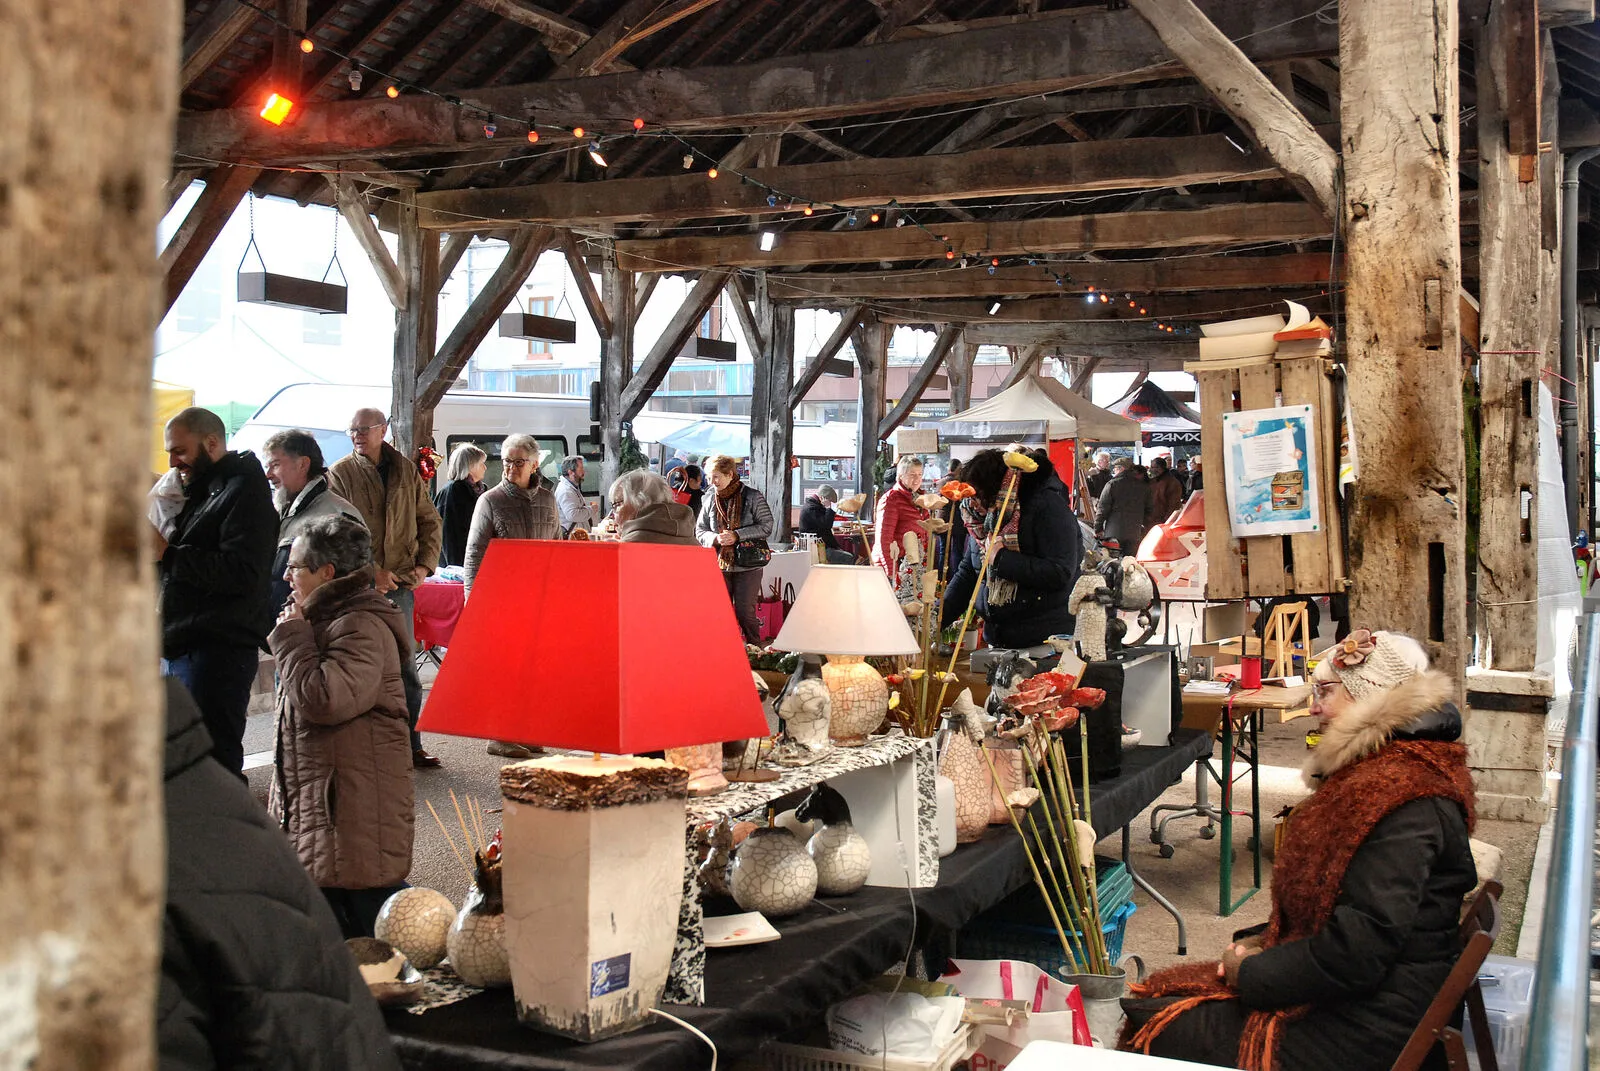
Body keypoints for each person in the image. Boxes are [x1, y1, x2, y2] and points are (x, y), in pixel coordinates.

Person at [1121, 630, 1477, 1071]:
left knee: (1159, 1023)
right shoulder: (1392, 778)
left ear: (1372, 697)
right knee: (1163, 998)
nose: (1313, 707)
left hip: (1375, 1025)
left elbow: (1358, 952)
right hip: (1375, 998)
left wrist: (1253, 972)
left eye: (1326, 691)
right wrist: (1263, 940)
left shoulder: (1406, 799)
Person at [158, 677, 402, 1070]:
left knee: (361, 890)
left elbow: (326, 697)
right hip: (312, 785)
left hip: (345, 787)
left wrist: (292, 649)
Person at [268, 515, 414, 940]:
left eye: (295, 567)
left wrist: (292, 637)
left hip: (351, 808)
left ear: (327, 572)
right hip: (327, 801)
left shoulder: (361, 625)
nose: (286, 576)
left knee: (374, 925)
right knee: (330, 925)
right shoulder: (319, 619)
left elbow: (325, 700)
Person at [158, 406, 278, 777]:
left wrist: (167, 554)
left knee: (214, 769)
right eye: (169, 452)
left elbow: (243, 573)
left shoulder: (245, 492)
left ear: (211, 443)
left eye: (180, 451)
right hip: (184, 646)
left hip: (217, 652)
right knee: (186, 766)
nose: (173, 462)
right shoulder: (202, 489)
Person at [326, 408, 444, 769]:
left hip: (400, 586)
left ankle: (411, 745)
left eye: (364, 429)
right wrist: (370, 571)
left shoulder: (405, 470)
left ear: (383, 430)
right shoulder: (340, 474)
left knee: (406, 668)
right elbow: (335, 531)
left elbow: (429, 520)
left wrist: (424, 565)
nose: (357, 436)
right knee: (360, 667)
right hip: (357, 588)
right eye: (352, 430)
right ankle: (364, 750)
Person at [465, 435, 561, 760]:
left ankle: (526, 730)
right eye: (506, 461)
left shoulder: (548, 499)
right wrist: (472, 603)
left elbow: (558, 547)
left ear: (535, 464)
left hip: (540, 598)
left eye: (518, 462)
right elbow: (474, 555)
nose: (510, 467)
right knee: (505, 669)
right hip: (502, 599)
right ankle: (499, 734)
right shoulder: (490, 501)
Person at [940, 448, 1081, 649]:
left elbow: (1060, 572)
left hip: (1044, 640)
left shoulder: (1047, 507)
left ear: (995, 489)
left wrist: (1001, 559)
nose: (971, 503)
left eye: (976, 495)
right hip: (999, 638)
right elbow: (969, 574)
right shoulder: (983, 521)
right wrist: (935, 621)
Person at [263, 429, 365, 615]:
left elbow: (353, 587)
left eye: (275, 465)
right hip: (281, 623)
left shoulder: (338, 515)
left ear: (303, 464)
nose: (268, 475)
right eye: (267, 466)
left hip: (316, 625)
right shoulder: (278, 510)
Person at [696, 454, 775, 645]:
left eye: (716, 477)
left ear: (730, 474)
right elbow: (700, 530)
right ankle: (723, 648)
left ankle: (755, 649)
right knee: (719, 611)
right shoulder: (709, 499)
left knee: (744, 611)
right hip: (719, 564)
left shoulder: (752, 496)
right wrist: (715, 538)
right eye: (708, 477)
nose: (711, 482)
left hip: (749, 564)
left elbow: (767, 525)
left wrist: (737, 535)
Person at [871, 455, 931, 581]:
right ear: (900, 476)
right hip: (895, 565)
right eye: (912, 474)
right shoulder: (891, 499)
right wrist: (892, 573)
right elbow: (884, 539)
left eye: (920, 474)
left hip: (912, 565)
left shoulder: (920, 500)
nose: (917, 479)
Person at [433, 443, 487, 568]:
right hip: (459, 564)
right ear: (470, 466)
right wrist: (456, 568)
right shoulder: (453, 491)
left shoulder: (481, 490)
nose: (485, 467)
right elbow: (449, 535)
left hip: (478, 559)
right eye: (481, 463)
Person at [612, 469, 697, 545]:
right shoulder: (691, 539)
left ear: (636, 503)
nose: (613, 514)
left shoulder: (630, 546)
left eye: (616, 505)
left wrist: (611, 549)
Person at [1095, 457, 1151, 555]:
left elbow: (1103, 508)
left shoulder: (1112, 484)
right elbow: (1149, 509)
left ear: (1122, 468)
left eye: (1115, 468)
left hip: (1113, 533)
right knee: (1130, 561)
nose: (1114, 471)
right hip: (1134, 532)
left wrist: (1098, 528)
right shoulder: (1143, 486)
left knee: (1112, 561)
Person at [798, 485, 854, 564]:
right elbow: (826, 525)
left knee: (845, 554)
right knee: (848, 558)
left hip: (820, 545)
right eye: (830, 501)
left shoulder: (813, 506)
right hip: (816, 548)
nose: (830, 503)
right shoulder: (811, 509)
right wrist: (828, 508)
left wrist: (837, 547)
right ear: (823, 498)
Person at [555, 454, 596, 535]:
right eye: (581, 468)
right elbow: (573, 515)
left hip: (576, 535)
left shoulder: (571, 487)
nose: (584, 472)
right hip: (572, 537)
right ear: (571, 472)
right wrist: (591, 509)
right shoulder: (566, 491)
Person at [1146, 455, 1186, 528]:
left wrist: (1167, 521)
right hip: (1154, 520)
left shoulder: (1171, 482)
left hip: (1162, 522)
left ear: (1159, 468)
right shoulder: (1154, 481)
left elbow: (1173, 505)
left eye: (1152, 467)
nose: (1150, 469)